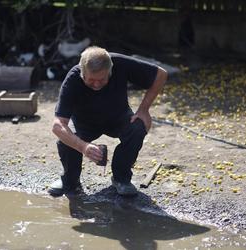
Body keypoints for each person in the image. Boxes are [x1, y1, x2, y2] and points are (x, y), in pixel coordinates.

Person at [48, 46, 167, 197]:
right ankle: (70, 180)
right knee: (65, 139)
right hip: (84, 122)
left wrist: (144, 109)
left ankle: (121, 178)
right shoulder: (72, 79)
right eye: (91, 80)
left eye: (102, 79)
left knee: (138, 127)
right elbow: (58, 125)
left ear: (110, 71)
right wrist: (83, 146)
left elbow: (160, 75)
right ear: (82, 73)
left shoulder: (120, 63)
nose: (97, 84)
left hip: (119, 117)